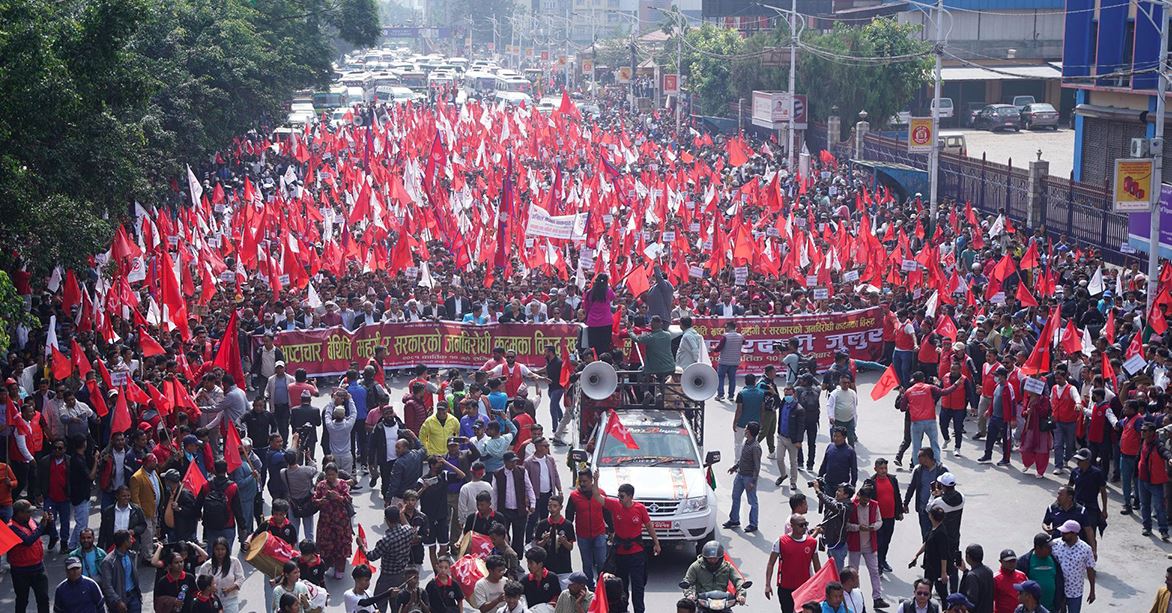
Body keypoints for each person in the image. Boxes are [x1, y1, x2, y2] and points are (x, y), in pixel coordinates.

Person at [600, 483, 661, 613]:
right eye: (618, 495)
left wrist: (656, 543)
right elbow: (597, 497)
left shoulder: (640, 508)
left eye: (622, 496)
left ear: (630, 496)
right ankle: (623, 609)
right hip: (620, 554)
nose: (619, 498)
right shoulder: (616, 505)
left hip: (636, 554)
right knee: (621, 585)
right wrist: (595, 480)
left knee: (638, 586)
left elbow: (649, 526)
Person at [765, 514, 821, 613]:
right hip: (785, 588)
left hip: (804, 588)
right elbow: (771, 563)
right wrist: (767, 585)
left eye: (805, 524)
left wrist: (820, 585)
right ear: (792, 526)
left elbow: (817, 566)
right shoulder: (780, 542)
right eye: (801, 525)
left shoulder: (812, 542)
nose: (804, 527)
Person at [846, 484, 888, 608]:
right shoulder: (852, 506)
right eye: (863, 499)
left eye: (867, 500)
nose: (865, 502)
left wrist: (872, 527)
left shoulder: (875, 505)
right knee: (853, 573)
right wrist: (858, 528)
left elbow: (879, 522)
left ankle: (877, 598)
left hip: (870, 544)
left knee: (874, 571)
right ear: (860, 496)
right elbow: (847, 525)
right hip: (855, 544)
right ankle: (855, 598)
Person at [366, 506, 413, 609]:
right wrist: (402, 514)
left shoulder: (386, 540)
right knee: (397, 603)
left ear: (386, 520)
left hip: (387, 577)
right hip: (402, 574)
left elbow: (372, 556)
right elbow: (407, 525)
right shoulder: (408, 531)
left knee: (379, 603)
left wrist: (362, 546)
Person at [9, 499, 51, 613]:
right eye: (28, 512)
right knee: (22, 600)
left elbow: (42, 531)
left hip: (38, 567)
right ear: (19, 513)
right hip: (21, 571)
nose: (31, 514)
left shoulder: (30, 521)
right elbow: (28, 540)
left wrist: (48, 523)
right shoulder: (12, 527)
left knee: (43, 598)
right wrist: (42, 526)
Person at [312, 463, 352, 579]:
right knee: (326, 544)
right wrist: (321, 501)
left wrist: (337, 497)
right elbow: (314, 499)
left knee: (341, 544)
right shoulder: (321, 485)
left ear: (337, 473)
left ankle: (340, 570)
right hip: (326, 521)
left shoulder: (343, 484)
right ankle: (328, 565)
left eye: (333, 474)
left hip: (341, 521)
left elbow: (348, 499)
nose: (330, 477)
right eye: (328, 475)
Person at [197, 460, 247, 552]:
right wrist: (242, 527)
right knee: (226, 555)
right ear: (226, 470)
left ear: (214, 470)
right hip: (228, 526)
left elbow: (197, 506)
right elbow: (238, 510)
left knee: (212, 555)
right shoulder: (233, 487)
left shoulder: (206, 486)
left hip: (210, 526)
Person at [1067, 448, 1107, 558]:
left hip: (1091, 508)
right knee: (1075, 533)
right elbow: (1069, 487)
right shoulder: (1075, 472)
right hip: (1077, 507)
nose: (1078, 462)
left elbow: (1103, 491)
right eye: (1077, 460)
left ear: (1087, 461)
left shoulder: (1097, 473)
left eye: (1081, 460)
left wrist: (1104, 509)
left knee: (1090, 534)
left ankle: (1091, 558)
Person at [724, 421, 762, 532]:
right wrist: (735, 467)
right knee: (735, 497)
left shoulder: (755, 447)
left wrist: (753, 482)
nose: (744, 430)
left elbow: (757, 466)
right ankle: (734, 519)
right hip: (740, 475)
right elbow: (743, 459)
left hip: (749, 477)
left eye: (746, 429)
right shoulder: (747, 442)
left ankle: (753, 524)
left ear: (749, 432)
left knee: (752, 502)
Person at [681, 541, 746, 606]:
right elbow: (688, 581)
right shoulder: (696, 566)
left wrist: (741, 594)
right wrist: (690, 595)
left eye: (715, 558)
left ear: (720, 558)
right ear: (705, 557)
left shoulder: (727, 567)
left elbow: (738, 580)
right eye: (710, 558)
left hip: (722, 601)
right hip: (702, 601)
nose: (712, 561)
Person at [1050, 520, 1095, 613]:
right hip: (1058, 588)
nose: (1062, 534)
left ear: (1074, 533)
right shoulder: (1055, 544)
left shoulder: (1085, 549)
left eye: (1065, 533)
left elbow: (1090, 570)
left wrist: (1092, 591)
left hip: (1075, 591)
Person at [904, 448, 948, 540]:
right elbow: (911, 487)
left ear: (927, 458)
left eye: (919, 457)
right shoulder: (918, 470)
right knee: (926, 537)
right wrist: (905, 503)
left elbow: (948, 489)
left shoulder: (942, 470)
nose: (917, 459)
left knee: (939, 537)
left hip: (937, 511)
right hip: (923, 510)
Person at [867, 459, 902, 574]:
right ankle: (878, 565)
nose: (883, 471)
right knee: (879, 542)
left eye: (885, 468)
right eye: (881, 468)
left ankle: (883, 560)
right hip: (877, 519)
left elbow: (897, 496)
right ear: (875, 469)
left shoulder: (892, 479)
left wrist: (899, 511)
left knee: (886, 541)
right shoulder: (870, 482)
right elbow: (864, 498)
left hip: (890, 517)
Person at [1014, 533, 1064, 613]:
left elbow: (1060, 582)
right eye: (1047, 547)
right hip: (1030, 608)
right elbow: (1020, 586)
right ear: (1038, 548)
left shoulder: (1054, 560)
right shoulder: (1024, 562)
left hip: (1052, 608)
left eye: (1051, 547)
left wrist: (1061, 603)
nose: (1051, 549)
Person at [910, 507, 951, 602]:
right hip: (930, 566)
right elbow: (927, 543)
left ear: (931, 516)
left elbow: (943, 554)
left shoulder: (941, 533)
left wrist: (943, 572)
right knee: (926, 589)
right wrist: (917, 555)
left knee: (942, 593)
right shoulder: (933, 528)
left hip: (938, 569)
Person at [1137, 421, 1171, 539]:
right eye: (1142, 430)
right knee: (1144, 505)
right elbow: (1139, 457)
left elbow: (1165, 452)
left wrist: (1170, 458)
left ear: (1152, 433)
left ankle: (1163, 530)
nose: (1142, 433)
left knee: (1159, 507)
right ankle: (1147, 527)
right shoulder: (1143, 442)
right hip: (1143, 478)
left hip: (1155, 481)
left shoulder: (1158, 444)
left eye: (1145, 431)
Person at [197, 537, 245, 613]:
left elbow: (241, 578)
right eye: (217, 549)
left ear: (226, 550)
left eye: (222, 549)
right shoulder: (207, 566)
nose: (220, 552)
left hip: (230, 600)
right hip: (212, 601)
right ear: (213, 550)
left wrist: (230, 588)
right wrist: (209, 590)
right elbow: (199, 582)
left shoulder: (234, 562)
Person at [978, 367, 1015, 466]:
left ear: (1002, 376)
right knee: (990, 437)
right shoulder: (997, 386)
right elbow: (994, 401)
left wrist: (1012, 419)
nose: (995, 377)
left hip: (1004, 419)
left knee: (1006, 440)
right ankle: (987, 455)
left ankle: (1006, 459)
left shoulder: (1008, 387)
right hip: (994, 417)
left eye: (997, 375)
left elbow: (1012, 404)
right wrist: (989, 411)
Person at [98, 530, 140, 613]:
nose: (132, 541)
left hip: (134, 597)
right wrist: (117, 601)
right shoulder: (108, 561)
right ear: (125, 542)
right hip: (120, 600)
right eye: (129, 539)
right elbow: (107, 585)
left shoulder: (130, 554)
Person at [812, 480, 850, 570]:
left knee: (837, 574)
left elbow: (829, 503)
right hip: (832, 543)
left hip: (838, 546)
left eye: (840, 491)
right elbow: (829, 499)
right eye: (837, 490)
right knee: (832, 571)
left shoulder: (845, 507)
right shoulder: (838, 503)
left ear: (846, 495)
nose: (836, 492)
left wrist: (817, 490)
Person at [97, 485, 147, 551]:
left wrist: (134, 531)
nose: (126, 498)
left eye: (128, 496)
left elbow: (143, 525)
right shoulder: (108, 511)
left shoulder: (136, 510)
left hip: (131, 546)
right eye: (124, 496)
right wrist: (100, 548)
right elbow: (103, 531)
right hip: (113, 546)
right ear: (117, 496)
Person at [1019, 387, 1053, 478]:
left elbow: (1045, 413)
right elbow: (1023, 413)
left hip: (1041, 428)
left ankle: (1040, 471)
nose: (1028, 392)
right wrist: (1027, 412)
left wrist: (1036, 405)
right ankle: (1027, 463)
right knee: (1025, 448)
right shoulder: (1028, 399)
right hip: (1030, 427)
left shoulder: (1045, 399)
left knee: (1041, 450)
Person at [521, 546, 562, 611]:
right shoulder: (525, 580)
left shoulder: (552, 578)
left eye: (531, 563)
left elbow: (557, 595)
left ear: (540, 564)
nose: (528, 566)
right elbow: (521, 599)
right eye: (527, 562)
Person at [959, 544, 995, 613]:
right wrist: (965, 571)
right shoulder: (988, 571)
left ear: (968, 556)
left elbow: (971, 601)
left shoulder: (972, 576)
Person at [714, 321, 745, 400]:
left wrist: (712, 349)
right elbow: (744, 342)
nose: (725, 329)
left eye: (725, 327)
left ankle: (720, 395)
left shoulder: (725, 336)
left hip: (724, 361)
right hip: (735, 361)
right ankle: (731, 396)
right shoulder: (740, 336)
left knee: (720, 377)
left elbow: (719, 348)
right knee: (732, 379)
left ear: (728, 327)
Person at [826, 376, 859, 446]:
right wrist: (831, 416)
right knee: (837, 440)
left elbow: (854, 404)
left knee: (851, 438)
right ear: (840, 383)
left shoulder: (852, 393)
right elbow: (829, 405)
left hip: (850, 421)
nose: (846, 384)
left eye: (848, 383)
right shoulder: (834, 393)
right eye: (844, 383)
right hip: (838, 421)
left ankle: (851, 454)